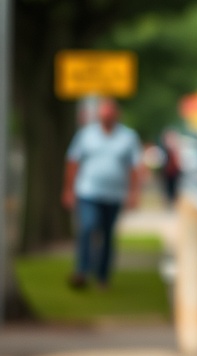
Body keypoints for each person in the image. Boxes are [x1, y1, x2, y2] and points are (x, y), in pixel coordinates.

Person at [62, 98, 143, 290]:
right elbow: (73, 162)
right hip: (88, 191)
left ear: (116, 115)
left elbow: (134, 167)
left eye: (110, 113)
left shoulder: (128, 137)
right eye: (103, 113)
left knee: (107, 234)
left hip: (114, 194)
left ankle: (102, 276)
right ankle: (82, 270)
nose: (106, 117)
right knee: (88, 227)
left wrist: (133, 193)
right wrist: (68, 189)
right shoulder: (86, 135)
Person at [158, 128, 183, 206]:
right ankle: (169, 200)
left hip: (174, 170)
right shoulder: (164, 148)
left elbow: (178, 159)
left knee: (174, 186)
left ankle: (172, 201)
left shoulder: (175, 147)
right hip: (167, 170)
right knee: (167, 186)